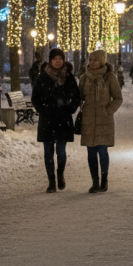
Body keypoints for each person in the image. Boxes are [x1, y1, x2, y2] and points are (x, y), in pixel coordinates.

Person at [31, 48, 81, 193]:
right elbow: (35, 98)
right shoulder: (43, 77)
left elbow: (76, 96)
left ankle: (60, 174)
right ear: (50, 60)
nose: (58, 61)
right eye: (55, 59)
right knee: (48, 152)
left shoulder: (69, 77)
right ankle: (51, 181)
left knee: (61, 151)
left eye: (60, 58)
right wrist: (43, 110)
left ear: (63, 60)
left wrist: (70, 108)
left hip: (63, 119)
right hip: (47, 119)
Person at [80, 49, 123, 194]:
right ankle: (95, 182)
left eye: (95, 60)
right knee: (91, 153)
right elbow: (79, 97)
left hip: (104, 120)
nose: (92, 63)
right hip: (88, 120)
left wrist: (108, 110)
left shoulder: (110, 77)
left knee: (102, 151)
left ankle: (104, 180)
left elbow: (118, 98)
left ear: (102, 61)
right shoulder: (84, 78)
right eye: (90, 59)